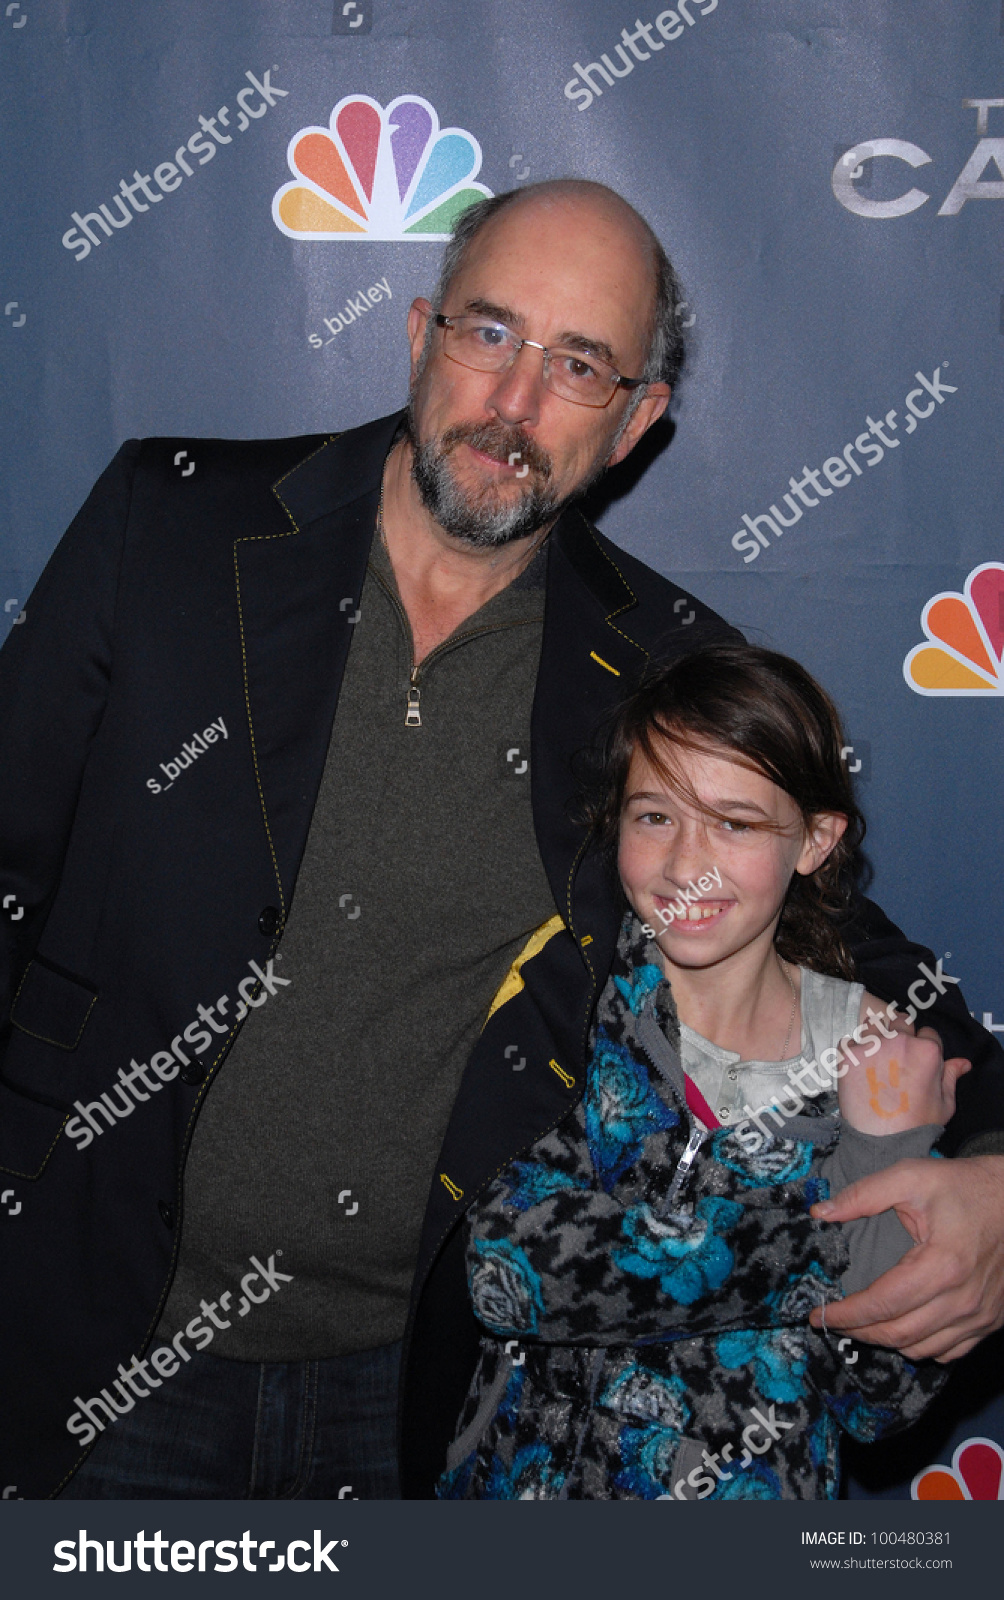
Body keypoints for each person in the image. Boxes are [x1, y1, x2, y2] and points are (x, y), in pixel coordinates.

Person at [0, 181, 1001, 1504]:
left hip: (426, 1405)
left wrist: (997, 1175)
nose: (515, 403)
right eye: (490, 335)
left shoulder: (662, 666)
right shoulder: (173, 523)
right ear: (419, 333)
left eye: (580, 366)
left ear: (639, 422)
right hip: (101, 1344)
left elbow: (864, 964)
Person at [438, 644, 968, 1499]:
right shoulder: (567, 1001)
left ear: (815, 840)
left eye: (736, 823)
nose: (687, 865)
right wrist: (833, 1248)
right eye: (654, 817)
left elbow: (880, 1399)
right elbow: (514, 1272)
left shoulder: (877, 1060)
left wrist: (887, 1146)